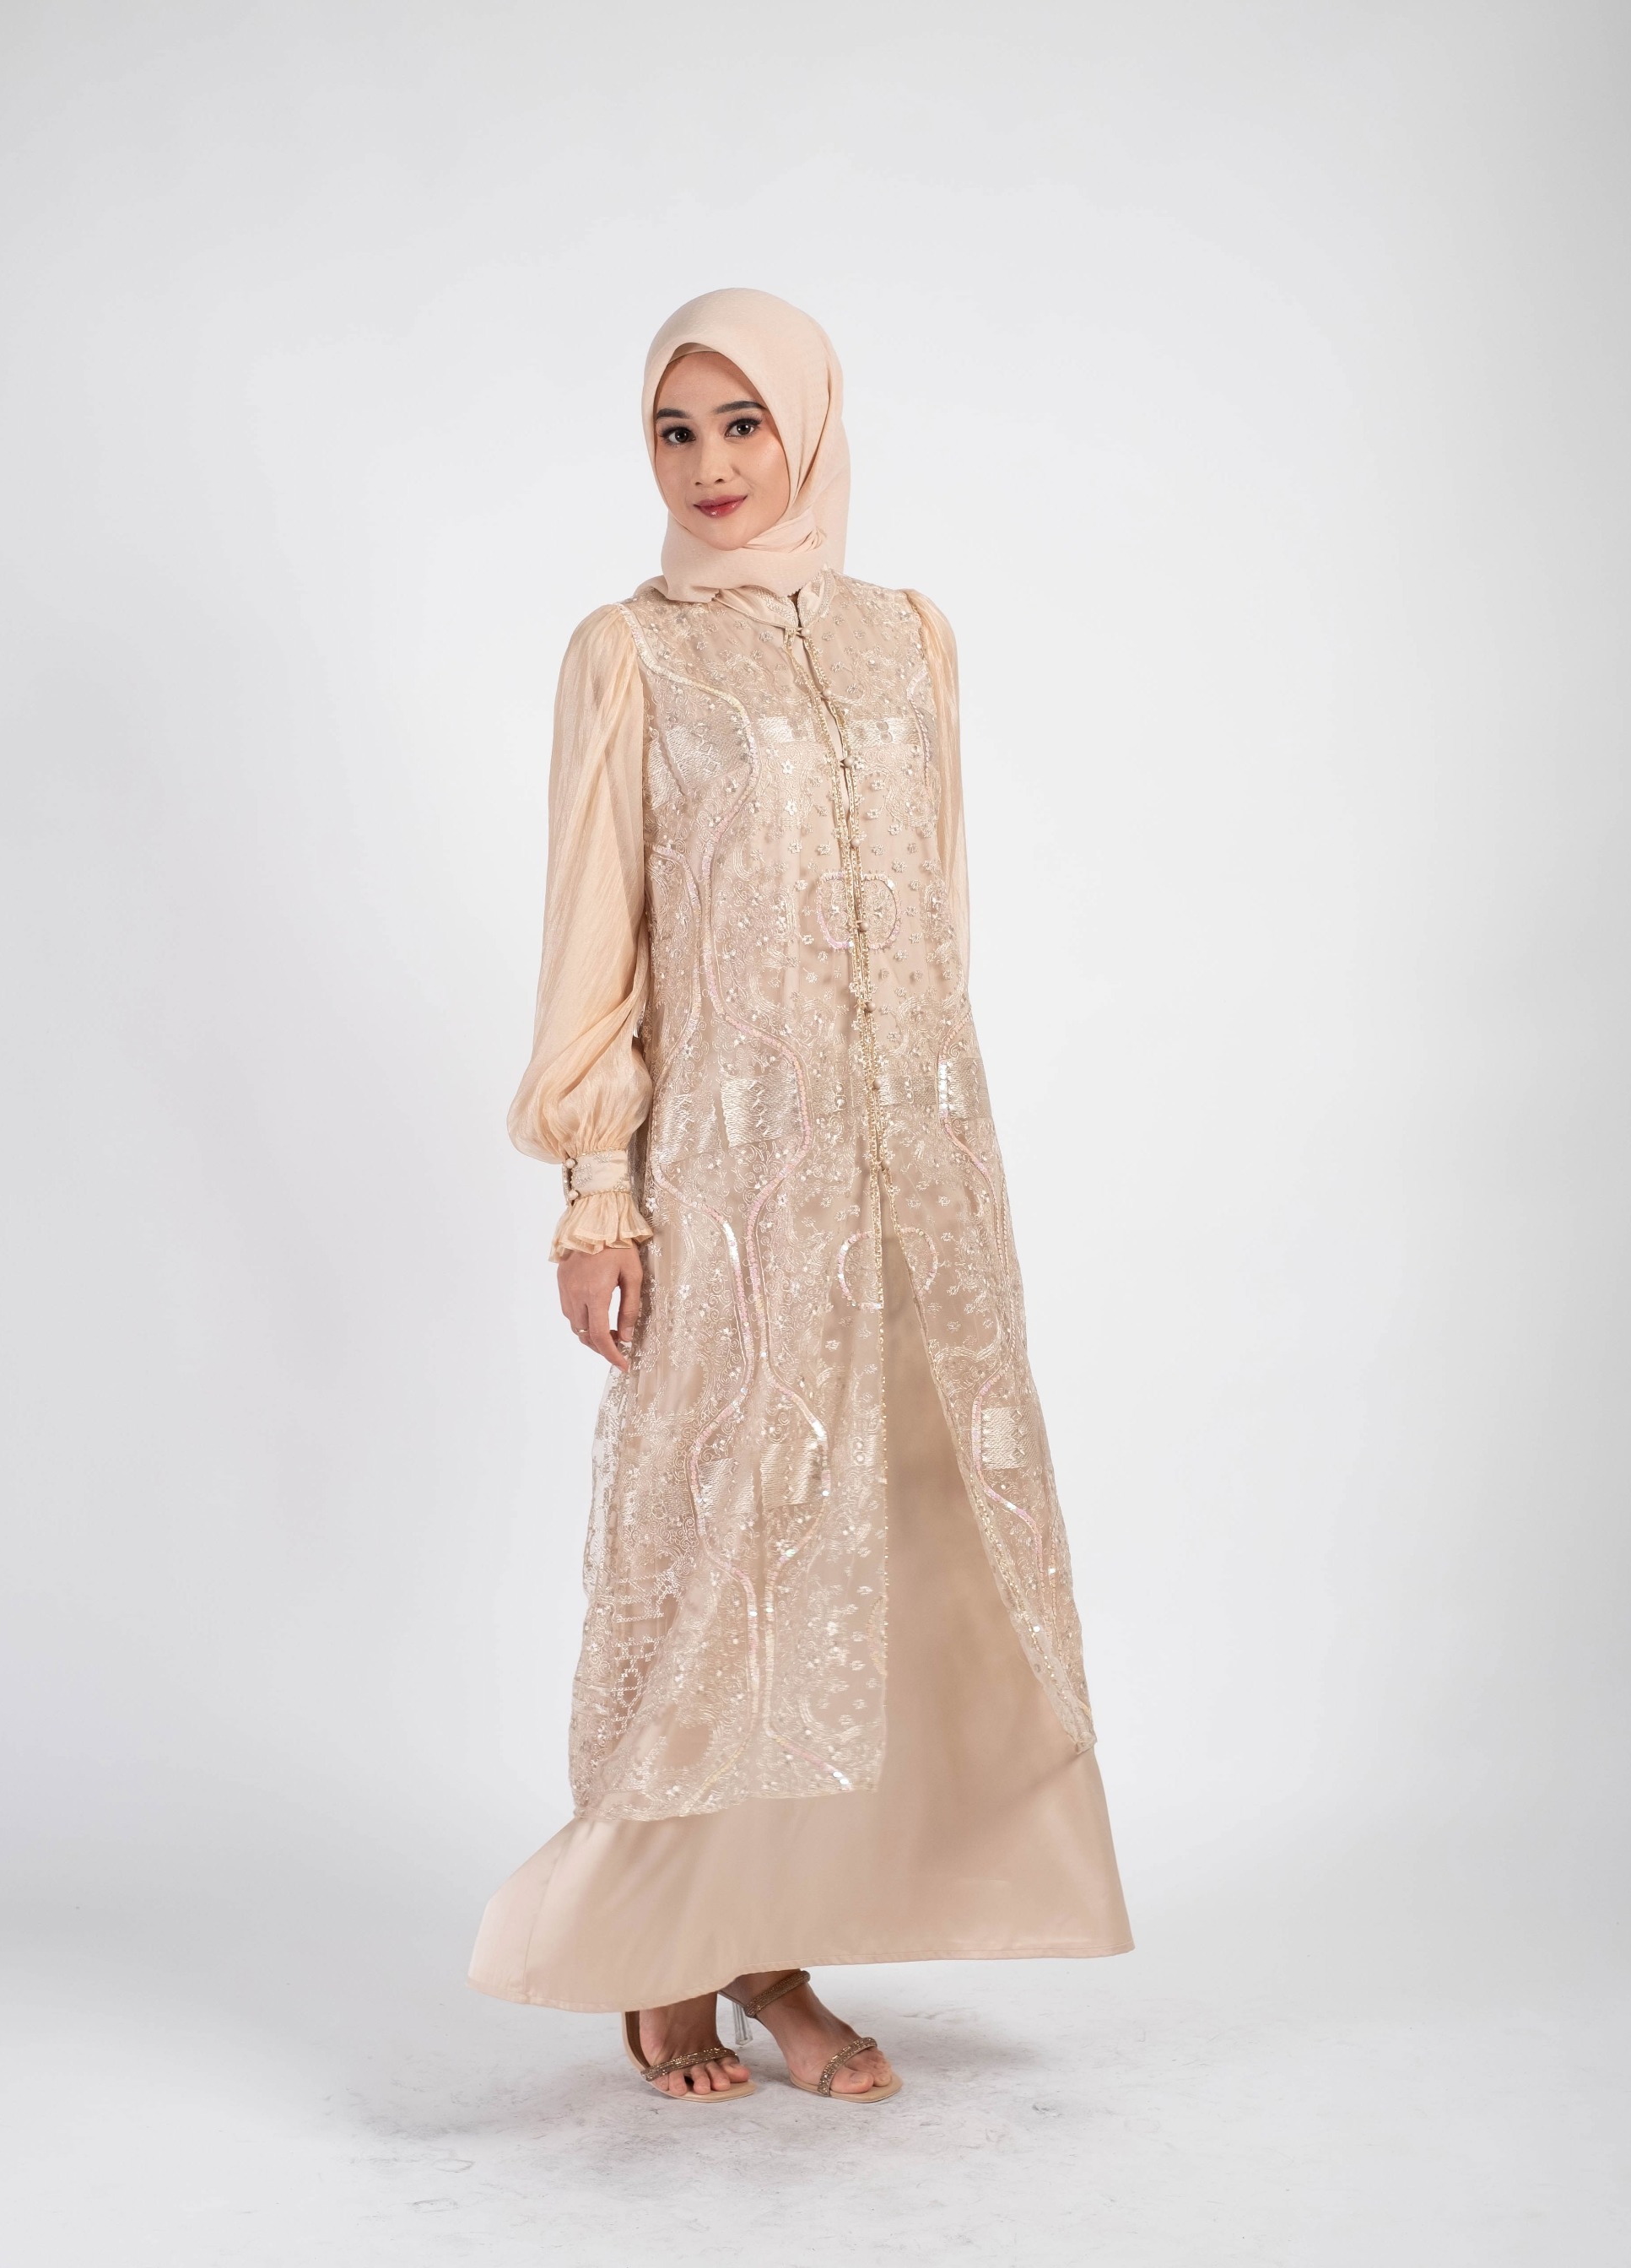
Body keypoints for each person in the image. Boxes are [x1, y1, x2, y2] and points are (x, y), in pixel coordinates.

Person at [470, 289, 1131, 2103]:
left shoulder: (909, 637)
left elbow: (940, 920)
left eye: (744, 423)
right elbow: (594, 941)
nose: (711, 465)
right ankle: (664, 1957)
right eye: (675, 431)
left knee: (885, 1560)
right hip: (731, 1188)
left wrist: (929, 1140)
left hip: (916, 1174)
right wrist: (599, 1195)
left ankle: (776, 1955)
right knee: (723, 1565)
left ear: (811, 429)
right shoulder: (631, 654)